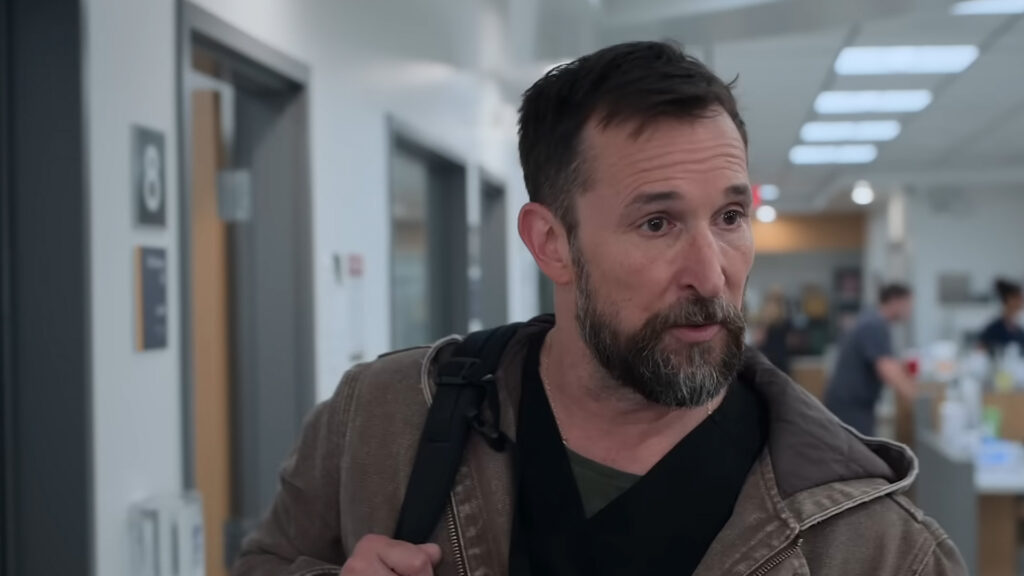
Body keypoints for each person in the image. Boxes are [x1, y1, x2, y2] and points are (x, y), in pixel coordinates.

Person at [234, 42, 963, 576]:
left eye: (730, 217)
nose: (710, 274)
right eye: (658, 223)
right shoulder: (382, 421)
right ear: (551, 243)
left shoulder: (875, 543)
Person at [824, 284, 918, 436]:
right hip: (851, 408)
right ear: (895, 301)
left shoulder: (872, 319)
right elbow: (886, 368)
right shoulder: (874, 325)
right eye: (908, 304)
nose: (910, 310)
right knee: (857, 449)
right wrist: (915, 398)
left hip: (854, 405)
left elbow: (886, 362)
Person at [978, 278, 1024, 355]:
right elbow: (979, 353)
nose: (1022, 302)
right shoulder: (993, 330)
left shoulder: (1019, 331)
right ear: (1010, 299)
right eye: (1019, 298)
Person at [755, 291, 793, 375]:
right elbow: (790, 342)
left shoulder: (765, 319)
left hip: (770, 360)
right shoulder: (785, 320)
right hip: (780, 360)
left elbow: (759, 340)